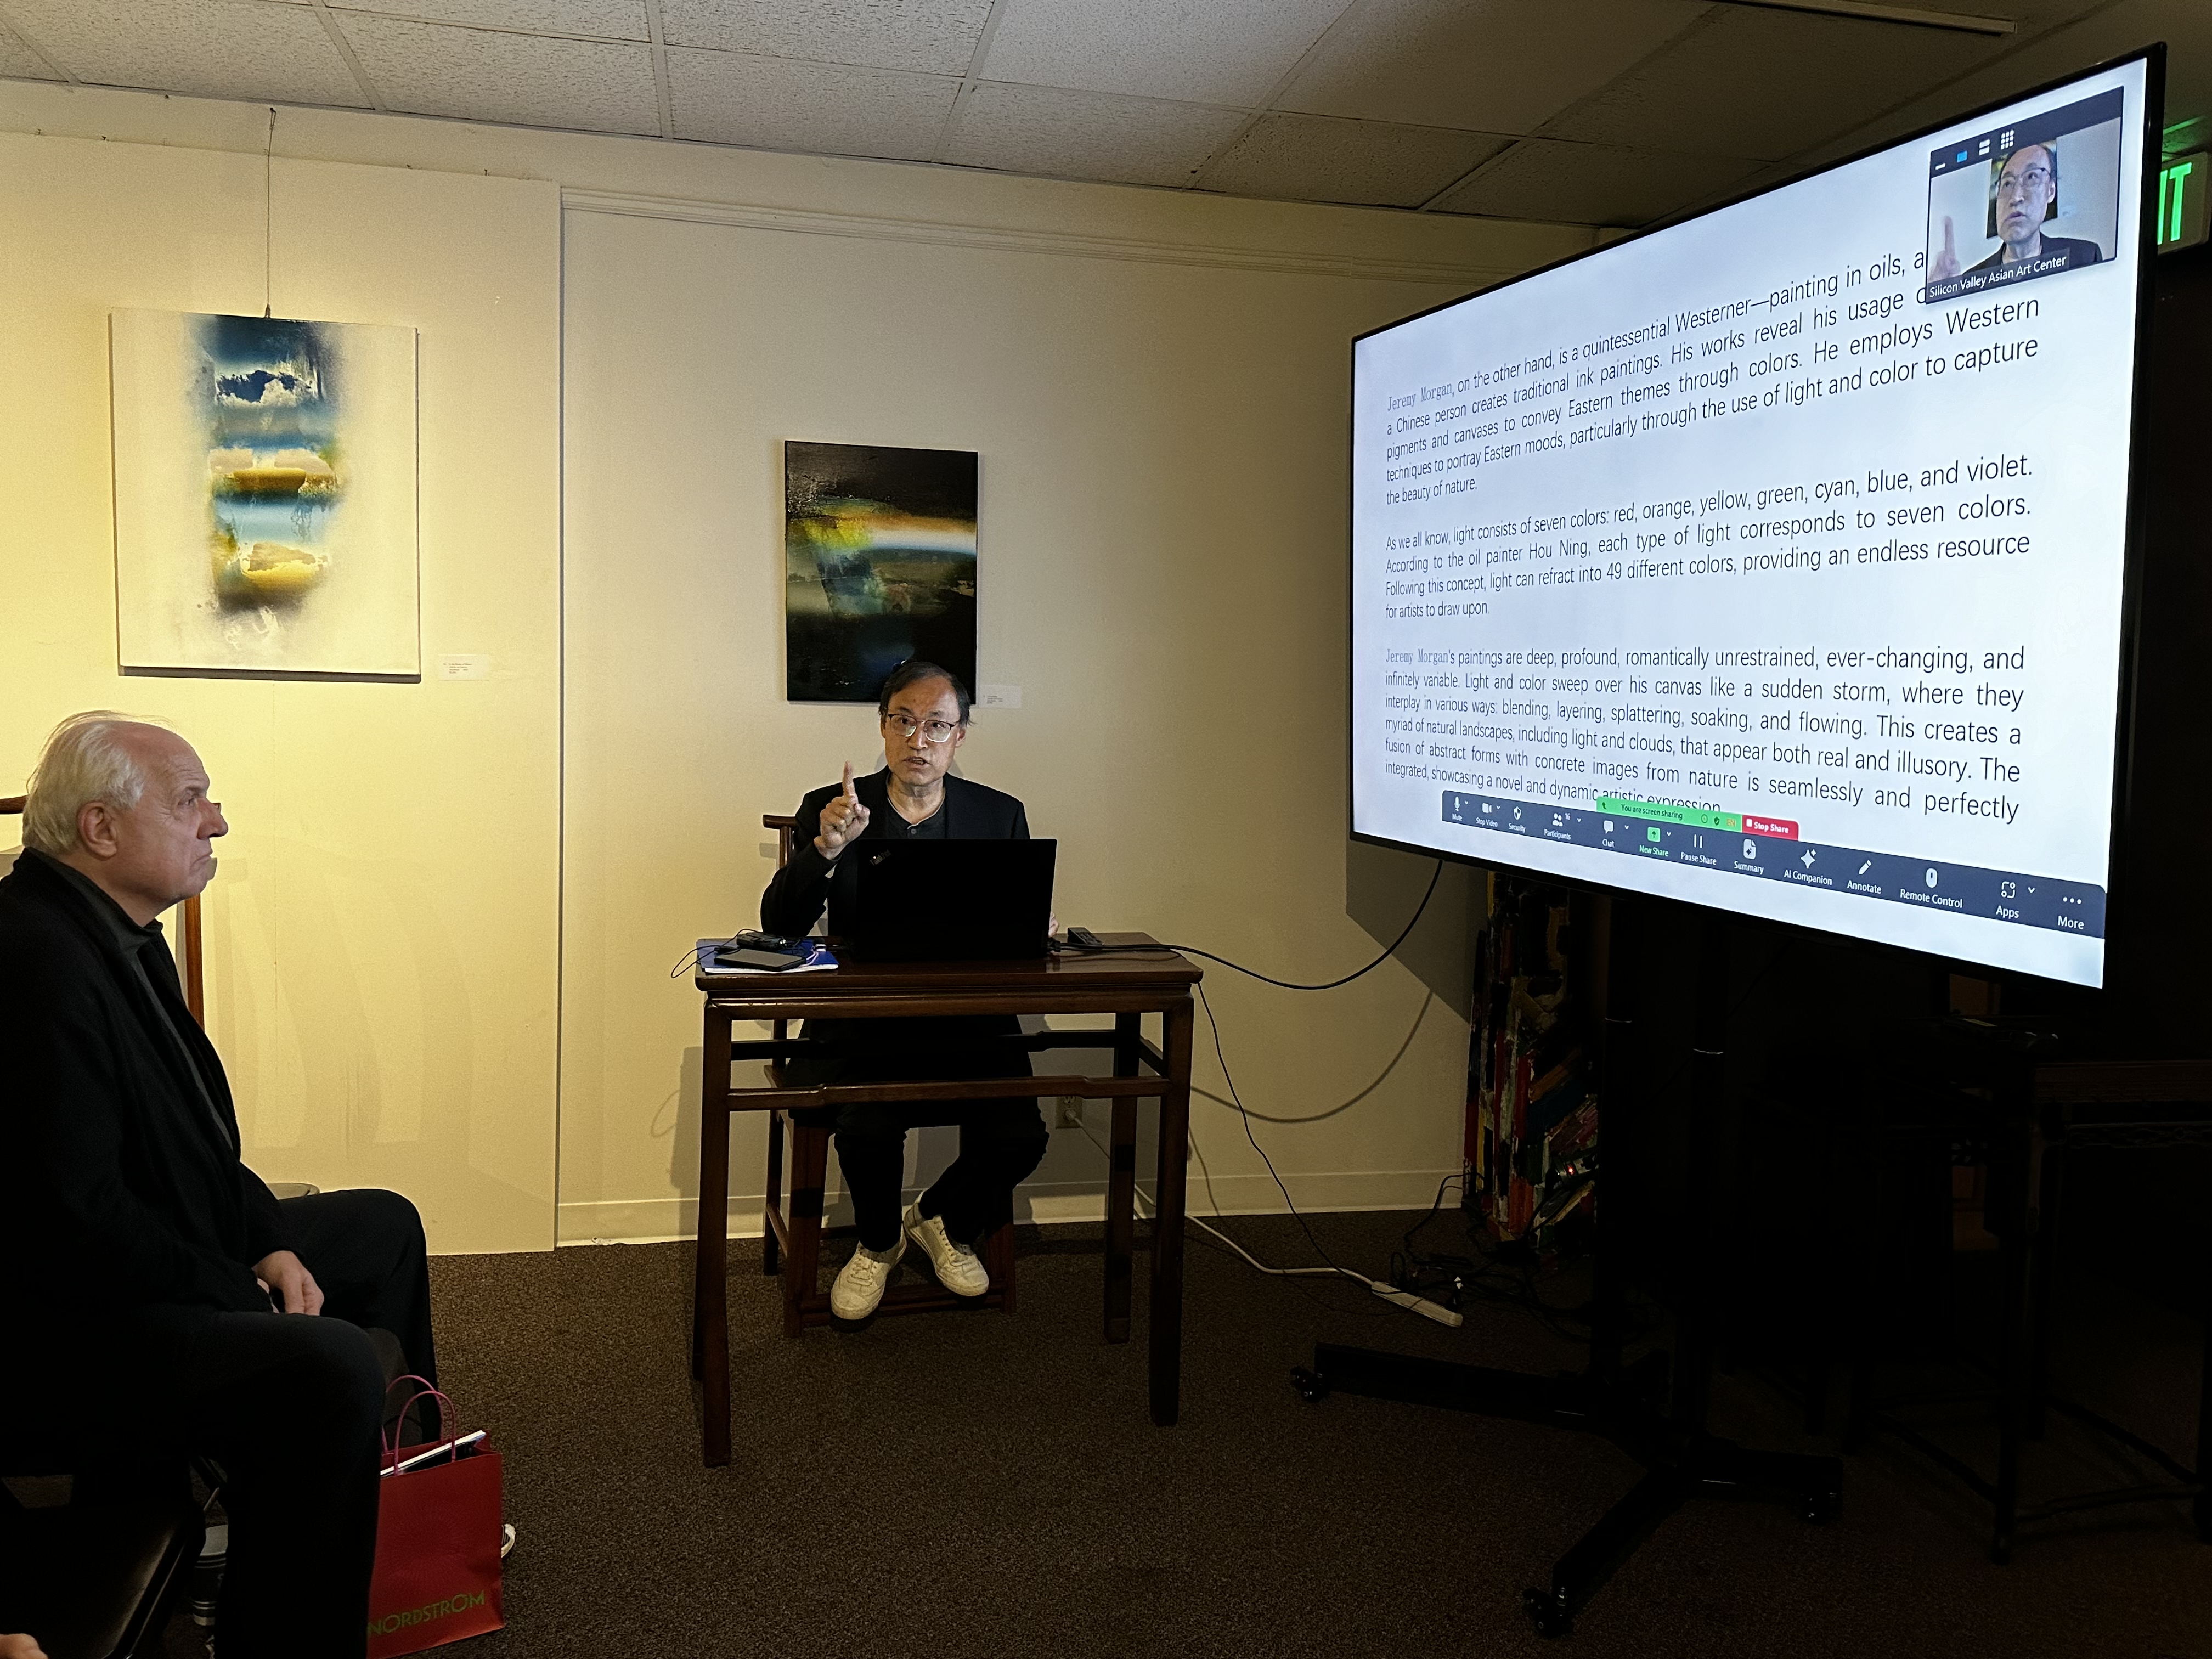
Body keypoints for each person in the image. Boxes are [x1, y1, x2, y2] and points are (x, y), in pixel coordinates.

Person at [0, 713, 437, 1659]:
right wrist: (232, 1284)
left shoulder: (117, 931)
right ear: (102, 828)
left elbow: (195, 1139)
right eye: (190, 799)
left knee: (385, 1229)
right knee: (329, 1366)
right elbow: (76, 1222)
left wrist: (268, 1237)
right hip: (62, 1331)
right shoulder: (33, 962)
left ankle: (407, 1504)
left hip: (149, 1253)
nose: (218, 821)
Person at [761, 661, 1049, 1321]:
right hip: (865, 1021)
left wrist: (1034, 926)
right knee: (867, 1121)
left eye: (938, 725)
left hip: (970, 1023)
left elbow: (1012, 928)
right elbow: (780, 927)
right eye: (905, 722)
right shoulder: (833, 806)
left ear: (960, 735)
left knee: (1021, 1133)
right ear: (884, 727)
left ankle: (943, 1219)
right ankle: (877, 1242)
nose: (920, 740)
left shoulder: (998, 815)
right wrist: (825, 850)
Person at [1930, 142, 2102, 280]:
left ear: (2051, 191)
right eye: (2007, 184)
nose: (2015, 197)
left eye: (2032, 177)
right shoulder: (1971, 281)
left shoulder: (2084, 257)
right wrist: (1941, 299)